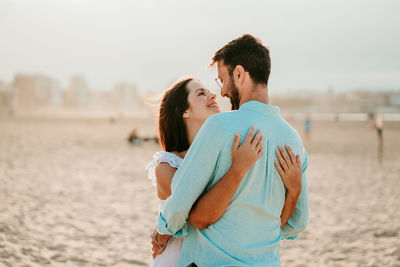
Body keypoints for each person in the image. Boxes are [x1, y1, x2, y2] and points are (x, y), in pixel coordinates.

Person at [156, 34, 309, 266]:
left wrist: (162, 231)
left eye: (222, 80)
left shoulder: (219, 127)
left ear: (239, 74)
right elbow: (296, 224)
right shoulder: (293, 140)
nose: (223, 92)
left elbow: (179, 206)